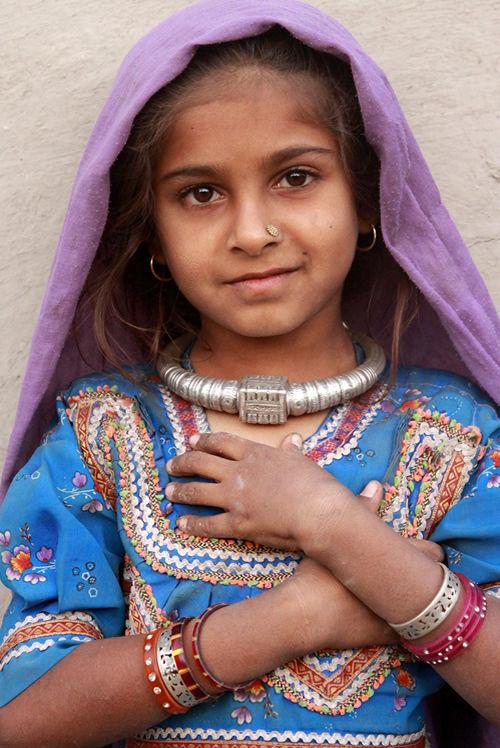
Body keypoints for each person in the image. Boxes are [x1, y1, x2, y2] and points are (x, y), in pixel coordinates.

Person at [0, 0, 499, 746]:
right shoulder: (103, 433)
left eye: (295, 177)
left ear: (366, 202)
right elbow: (22, 719)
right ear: (154, 237)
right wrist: (292, 621)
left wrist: (332, 526)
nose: (252, 232)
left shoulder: (451, 435)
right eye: (201, 194)